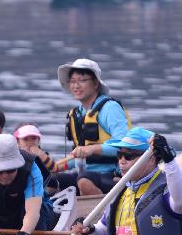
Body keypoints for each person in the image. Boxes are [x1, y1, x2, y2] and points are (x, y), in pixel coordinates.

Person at [56, 58, 131, 195]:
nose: (76, 86)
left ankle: (102, 214)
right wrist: (56, 167)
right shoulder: (76, 113)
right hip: (85, 173)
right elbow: (80, 157)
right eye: (72, 81)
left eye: (82, 80)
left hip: (113, 174)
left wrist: (91, 149)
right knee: (49, 181)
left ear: (95, 83)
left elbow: (125, 147)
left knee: (84, 180)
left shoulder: (110, 108)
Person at [14, 123, 61, 230]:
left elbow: (53, 177)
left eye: (34, 139)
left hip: (38, 200)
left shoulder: (40, 158)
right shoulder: (11, 159)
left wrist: (40, 155)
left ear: (38, 140)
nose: (30, 143)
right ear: (17, 142)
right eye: (26, 139)